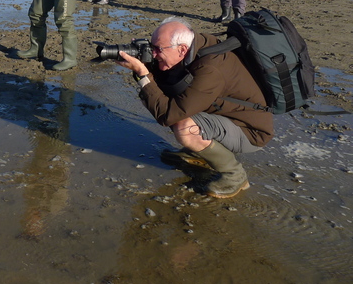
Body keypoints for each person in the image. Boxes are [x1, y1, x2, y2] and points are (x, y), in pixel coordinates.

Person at [117, 16, 273, 198]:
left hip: (250, 132)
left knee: (185, 129)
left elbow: (168, 115)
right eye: (152, 48)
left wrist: (143, 74)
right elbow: (172, 87)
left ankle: (235, 175)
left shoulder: (210, 69)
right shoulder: (196, 48)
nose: (153, 54)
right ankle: (199, 152)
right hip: (225, 116)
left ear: (182, 49)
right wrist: (148, 63)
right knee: (186, 109)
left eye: (158, 49)